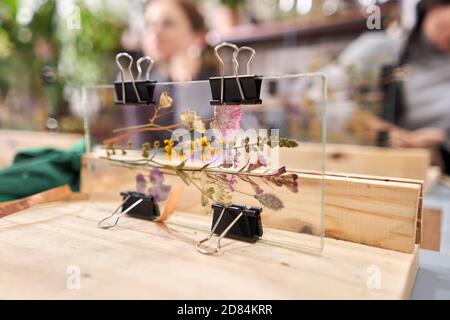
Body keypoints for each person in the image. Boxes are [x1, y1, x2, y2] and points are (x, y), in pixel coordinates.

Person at [326, 0, 450, 173]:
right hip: (365, 166)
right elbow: (319, 94)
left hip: (427, 176)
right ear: (433, 8)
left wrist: (440, 145)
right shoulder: (380, 50)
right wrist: (377, 130)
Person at [141, 0, 217, 81]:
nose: (154, 31)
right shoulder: (144, 85)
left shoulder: (218, 85)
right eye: (148, 24)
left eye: (167, 23)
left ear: (198, 37)